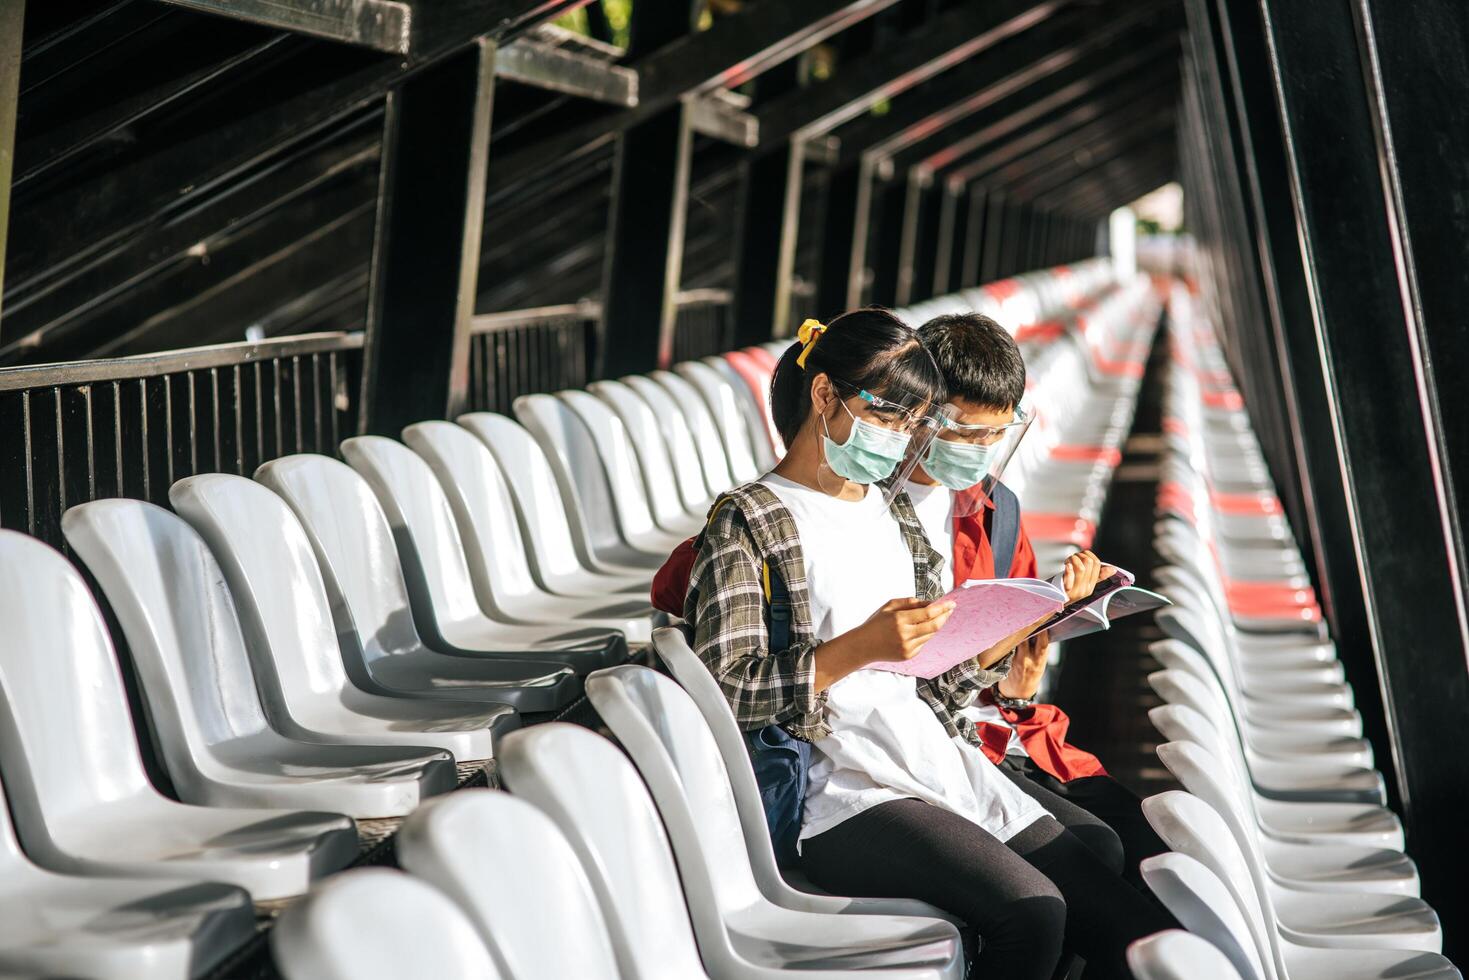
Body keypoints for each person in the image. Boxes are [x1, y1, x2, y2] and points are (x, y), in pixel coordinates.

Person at [684, 309, 1174, 980]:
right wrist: (856, 648)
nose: (898, 438)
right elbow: (723, 689)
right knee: (1032, 913)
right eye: (888, 416)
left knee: (1127, 925)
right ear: (824, 395)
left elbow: (926, 683)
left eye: (912, 421)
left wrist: (1005, 633)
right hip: (838, 789)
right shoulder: (750, 522)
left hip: (922, 755)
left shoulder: (889, 516)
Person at [908, 311, 1169, 890]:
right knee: (1099, 855)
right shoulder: (865, 512)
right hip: (947, 739)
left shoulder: (998, 513)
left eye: (995, 436)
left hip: (1004, 719)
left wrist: (1043, 631)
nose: (981, 451)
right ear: (918, 413)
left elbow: (1002, 641)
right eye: (968, 433)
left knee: (1145, 840)